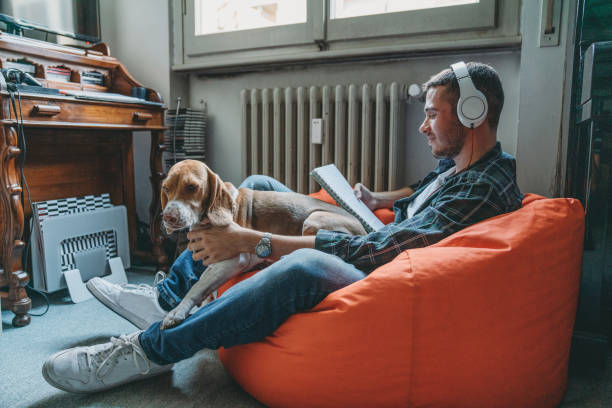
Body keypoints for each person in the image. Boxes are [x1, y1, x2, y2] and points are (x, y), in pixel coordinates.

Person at [42, 62, 523, 394]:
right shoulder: (460, 167)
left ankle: (154, 349)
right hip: (377, 230)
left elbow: (381, 252)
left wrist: (256, 242)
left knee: (302, 265)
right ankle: (170, 298)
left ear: (472, 114)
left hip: (380, 263)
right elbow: (419, 193)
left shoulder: (483, 187)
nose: (423, 127)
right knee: (253, 186)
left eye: (432, 113)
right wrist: (375, 200)